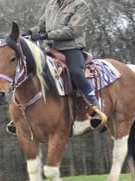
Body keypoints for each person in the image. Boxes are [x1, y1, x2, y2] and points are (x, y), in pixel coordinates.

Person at [6, 0, 107, 135]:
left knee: (76, 73)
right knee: (30, 69)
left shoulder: (80, 5)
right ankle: (20, 114)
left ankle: (95, 106)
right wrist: (29, 32)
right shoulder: (51, 4)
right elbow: (41, 26)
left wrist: (46, 35)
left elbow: (73, 30)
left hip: (71, 49)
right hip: (51, 49)